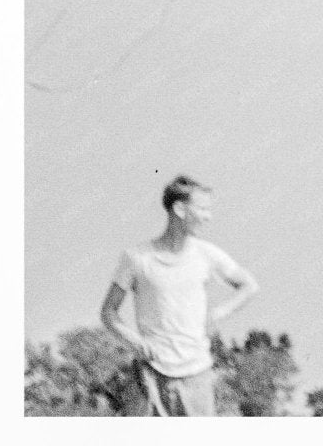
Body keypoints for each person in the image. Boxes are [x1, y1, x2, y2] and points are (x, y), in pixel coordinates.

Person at [100, 175, 259, 416]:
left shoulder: (208, 254)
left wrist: (218, 313)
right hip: (151, 375)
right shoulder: (136, 258)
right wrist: (135, 341)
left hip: (198, 374)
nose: (209, 216)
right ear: (180, 209)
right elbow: (108, 312)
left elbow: (249, 285)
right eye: (203, 209)